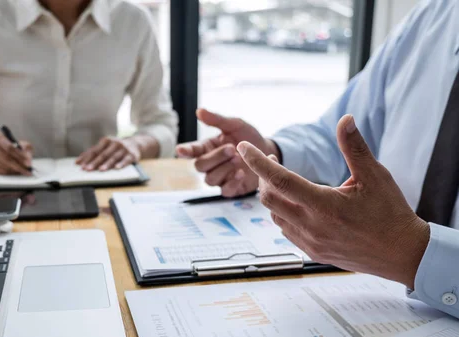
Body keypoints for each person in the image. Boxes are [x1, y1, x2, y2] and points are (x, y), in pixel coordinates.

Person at [176, 0, 459, 318]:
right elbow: (337, 134)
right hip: (380, 306)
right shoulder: (434, 17)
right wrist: (273, 154)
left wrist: (413, 254)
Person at [0, 0, 177, 175]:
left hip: (102, 194)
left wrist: (137, 145)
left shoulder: (133, 21)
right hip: (10, 195)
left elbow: (161, 125)